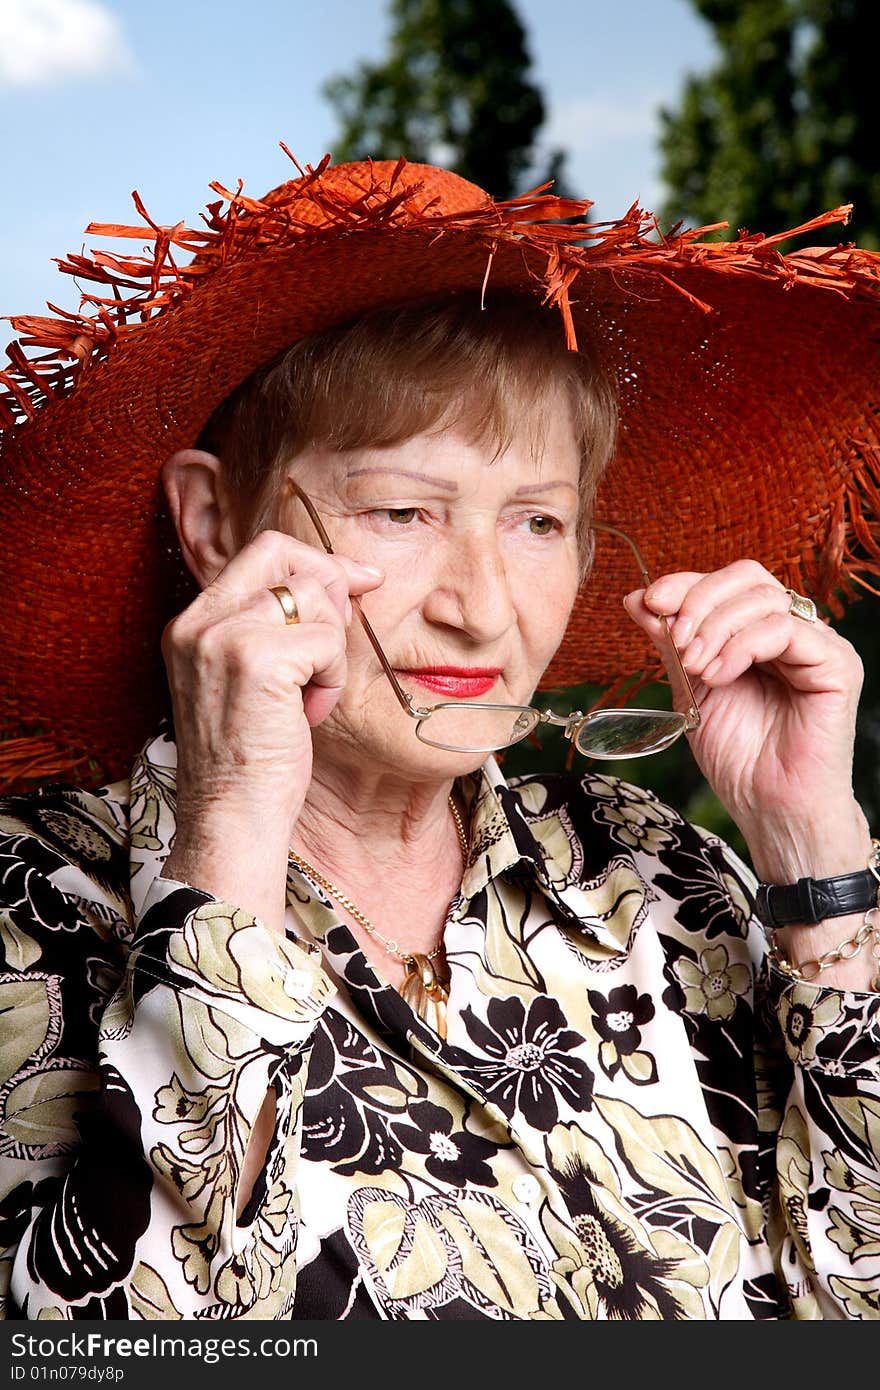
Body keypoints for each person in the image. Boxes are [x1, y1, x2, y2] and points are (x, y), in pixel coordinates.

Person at [1, 154, 880, 1322]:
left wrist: (811, 846)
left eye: (536, 521)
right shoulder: (36, 910)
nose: (480, 603)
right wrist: (228, 834)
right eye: (403, 510)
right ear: (214, 524)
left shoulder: (665, 871)